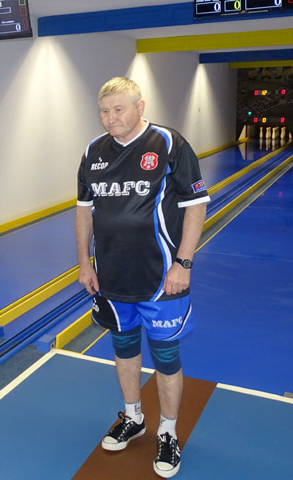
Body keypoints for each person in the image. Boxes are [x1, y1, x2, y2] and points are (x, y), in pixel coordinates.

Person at [75, 77, 209, 478]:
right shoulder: (93, 152)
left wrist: (183, 264)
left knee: (166, 357)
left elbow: (196, 204)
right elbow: (84, 211)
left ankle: (168, 431)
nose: (110, 118)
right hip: (112, 277)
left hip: (161, 279)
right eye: (104, 111)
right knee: (124, 348)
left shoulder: (169, 144)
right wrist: (85, 262)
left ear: (140, 107)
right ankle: (133, 417)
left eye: (119, 109)